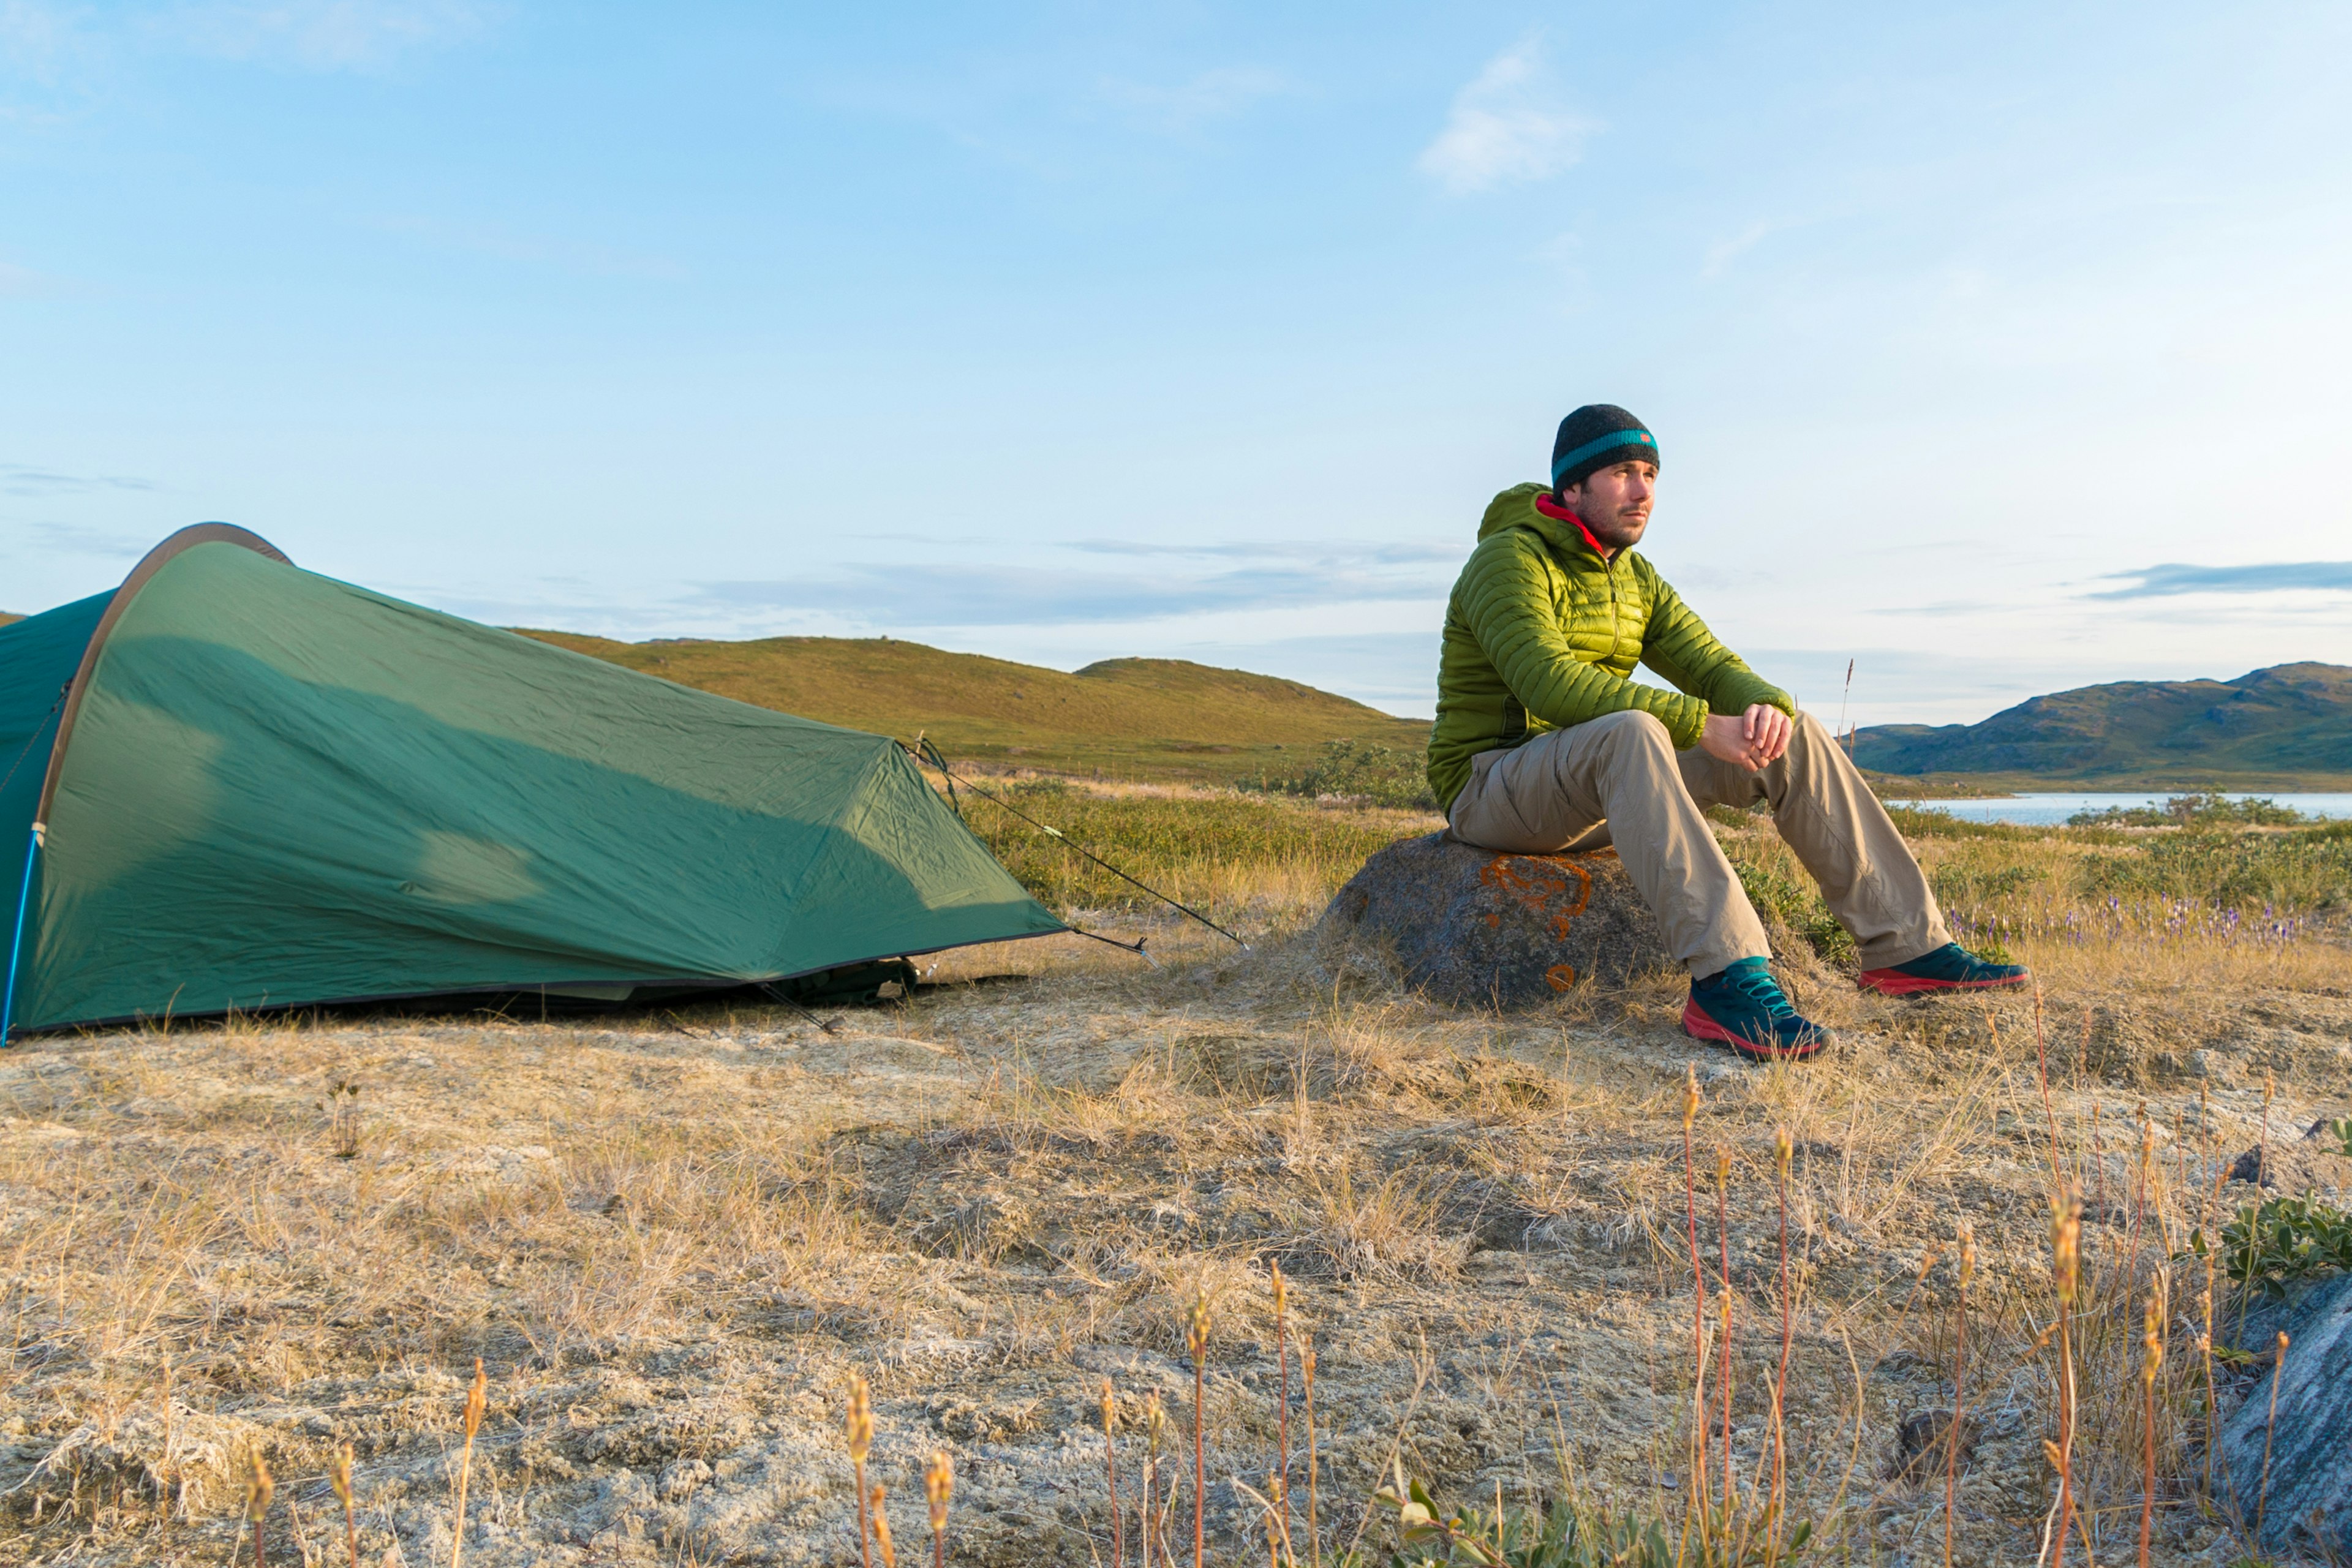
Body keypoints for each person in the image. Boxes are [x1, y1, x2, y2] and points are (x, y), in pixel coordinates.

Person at [1427, 404, 2027, 1060]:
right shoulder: (1507, 561)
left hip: (1591, 788)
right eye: (1624, 472)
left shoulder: (1632, 576)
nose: (1644, 490)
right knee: (1631, 731)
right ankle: (1726, 980)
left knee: (1791, 731)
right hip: (1494, 787)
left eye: (1652, 473)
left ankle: (1907, 948)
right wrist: (1696, 724)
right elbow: (1550, 684)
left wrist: (1765, 706)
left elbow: (1710, 664)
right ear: (1572, 487)